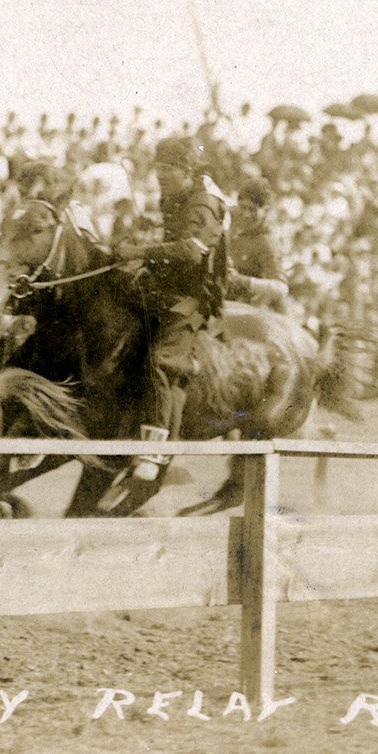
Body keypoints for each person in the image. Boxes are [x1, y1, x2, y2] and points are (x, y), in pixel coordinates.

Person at [102, 135, 229, 510]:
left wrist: (140, 252)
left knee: (160, 361)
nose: (160, 176)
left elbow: (190, 252)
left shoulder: (203, 205)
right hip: (166, 290)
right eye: (158, 169)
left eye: (168, 170)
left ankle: (154, 452)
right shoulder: (172, 197)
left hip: (192, 300)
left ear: (187, 171)